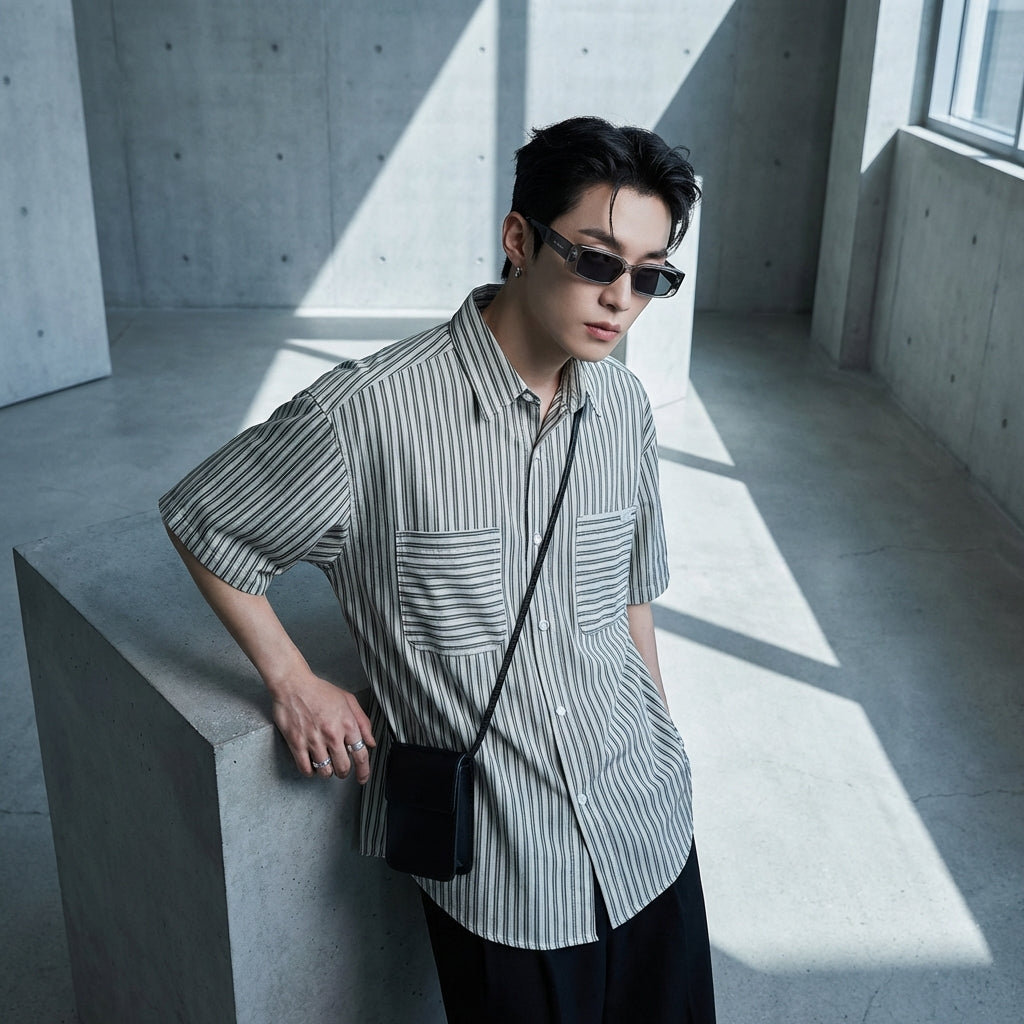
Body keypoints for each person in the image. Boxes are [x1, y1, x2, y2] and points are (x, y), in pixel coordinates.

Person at [159, 115, 714, 1023]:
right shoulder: (368, 414)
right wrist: (292, 681)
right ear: (518, 238)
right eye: (596, 259)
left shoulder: (622, 407)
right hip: (510, 873)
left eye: (650, 275)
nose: (621, 299)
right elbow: (205, 518)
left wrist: (665, 750)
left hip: (646, 827)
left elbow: (629, 600)